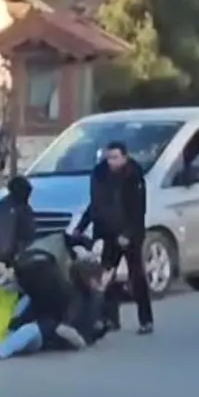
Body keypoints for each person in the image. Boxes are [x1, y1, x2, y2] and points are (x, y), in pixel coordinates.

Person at [75, 140, 154, 335]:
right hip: (107, 231)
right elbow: (95, 204)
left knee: (136, 276)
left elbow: (138, 210)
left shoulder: (134, 176)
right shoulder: (100, 175)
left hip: (130, 233)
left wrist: (128, 234)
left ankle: (146, 320)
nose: (111, 162)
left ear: (124, 157)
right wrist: (81, 226)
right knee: (106, 275)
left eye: (116, 157)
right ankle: (110, 318)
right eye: (109, 157)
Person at [0, 250, 107, 359]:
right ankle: (1, 346)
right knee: (29, 326)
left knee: (31, 329)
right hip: (51, 330)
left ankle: (0, 350)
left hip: (51, 333)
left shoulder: (83, 297)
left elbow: (70, 326)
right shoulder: (76, 293)